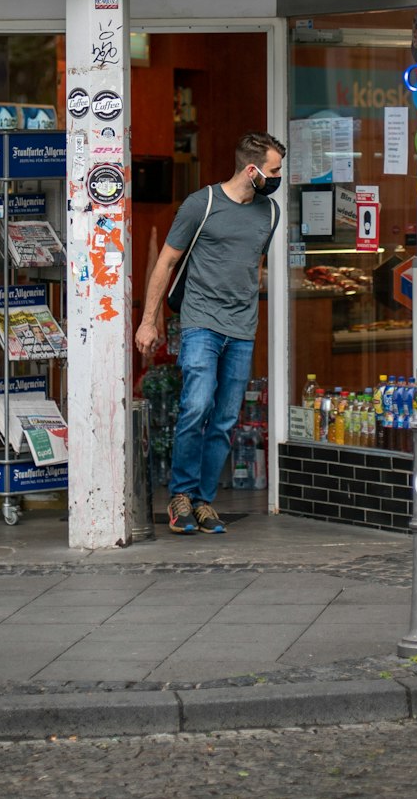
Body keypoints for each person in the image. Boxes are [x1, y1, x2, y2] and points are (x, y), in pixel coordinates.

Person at [135, 131, 285, 535]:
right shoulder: (201, 205)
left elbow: (254, 265)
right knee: (197, 405)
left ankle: (202, 502)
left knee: (224, 419)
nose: (278, 177)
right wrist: (149, 320)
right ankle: (180, 495)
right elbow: (166, 263)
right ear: (252, 170)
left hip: (242, 329)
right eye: (274, 170)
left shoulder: (269, 212)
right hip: (200, 322)